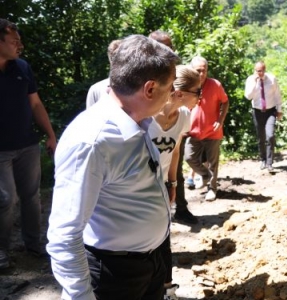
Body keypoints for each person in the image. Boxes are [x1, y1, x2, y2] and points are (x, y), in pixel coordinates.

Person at [47, 34, 180, 300]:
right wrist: (81, 295)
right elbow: (65, 233)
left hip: (149, 265)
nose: (171, 96)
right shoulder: (93, 141)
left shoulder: (140, 123)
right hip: (112, 277)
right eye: (169, 88)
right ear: (150, 89)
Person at [0, 18, 58, 269]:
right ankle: (1, 250)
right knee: (5, 199)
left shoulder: (22, 67)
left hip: (27, 144)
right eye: (14, 41)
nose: (19, 46)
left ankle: (34, 244)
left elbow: (35, 103)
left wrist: (50, 134)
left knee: (31, 196)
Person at [149, 65, 201, 299]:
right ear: (180, 93)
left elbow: (176, 151)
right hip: (136, 189)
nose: (200, 98)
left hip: (160, 186)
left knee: (163, 238)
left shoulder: (184, 116)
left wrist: (172, 184)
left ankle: (167, 290)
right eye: (197, 92)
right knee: (144, 241)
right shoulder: (147, 116)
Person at [86, 31, 173, 109]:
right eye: (161, 47)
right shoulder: (97, 89)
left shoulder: (176, 76)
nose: (167, 51)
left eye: (169, 47)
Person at [185, 56, 229, 201]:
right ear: (192, 70)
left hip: (212, 131)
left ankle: (212, 189)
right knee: (189, 157)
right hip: (193, 131)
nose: (202, 74)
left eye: (204, 70)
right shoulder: (188, 85)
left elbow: (225, 102)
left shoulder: (215, 85)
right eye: (198, 71)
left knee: (212, 162)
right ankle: (204, 175)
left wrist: (220, 120)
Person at [244, 61, 283, 172]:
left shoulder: (272, 79)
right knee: (261, 137)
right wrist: (255, 83)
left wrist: (279, 110)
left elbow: (277, 95)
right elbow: (248, 96)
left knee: (270, 136)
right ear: (254, 70)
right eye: (257, 71)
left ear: (264, 70)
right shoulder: (250, 80)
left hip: (270, 111)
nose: (259, 73)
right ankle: (263, 159)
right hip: (257, 111)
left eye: (261, 71)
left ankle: (270, 163)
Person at [85, 39, 121, 108]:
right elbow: (91, 117)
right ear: (110, 61)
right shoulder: (96, 90)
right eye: (113, 58)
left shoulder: (137, 89)